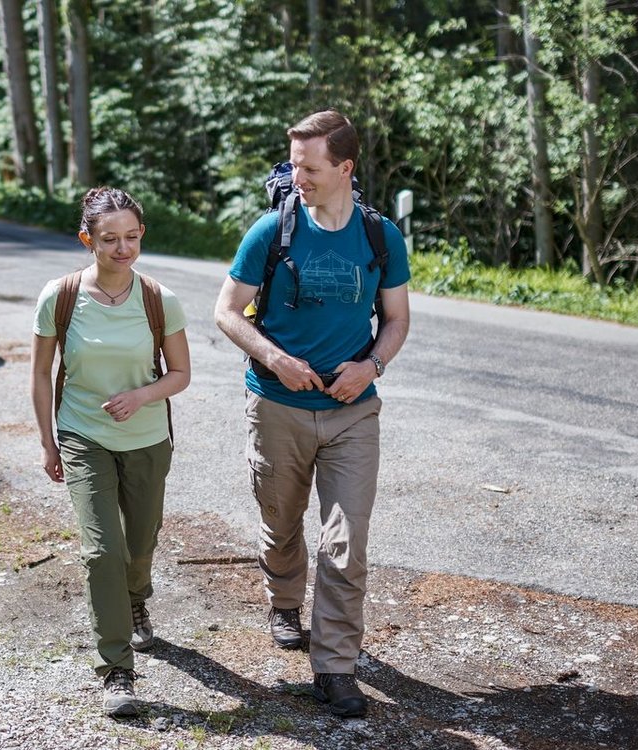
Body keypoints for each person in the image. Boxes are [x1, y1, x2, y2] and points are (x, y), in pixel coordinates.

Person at [213, 110, 411, 719]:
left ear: (345, 167)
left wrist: (371, 366)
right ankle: (283, 600)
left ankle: (334, 668)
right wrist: (275, 358)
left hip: (353, 412)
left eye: (309, 167)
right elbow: (226, 312)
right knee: (281, 524)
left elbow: (397, 320)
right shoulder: (271, 232)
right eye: (294, 165)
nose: (296, 177)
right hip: (278, 407)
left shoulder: (380, 237)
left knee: (346, 543)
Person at [30, 187, 191, 717]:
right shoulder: (60, 296)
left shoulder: (159, 299)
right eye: (109, 239)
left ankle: (136, 599)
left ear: (141, 236)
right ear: (88, 240)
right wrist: (49, 441)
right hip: (84, 437)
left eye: (131, 237)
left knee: (139, 545)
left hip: (147, 440)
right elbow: (40, 374)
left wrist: (141, 395)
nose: (123, 249)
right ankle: (117, 668)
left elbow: (180, 374)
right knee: (103, 551)